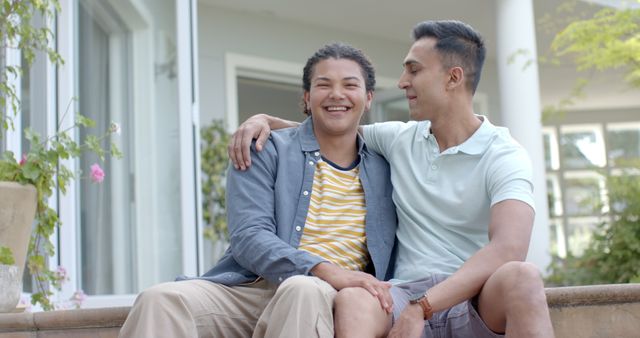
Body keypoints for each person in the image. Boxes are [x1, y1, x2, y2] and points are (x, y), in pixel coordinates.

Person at [228, 20, 555, 338]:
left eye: (414, 70)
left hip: (472, 298)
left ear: (452, 78)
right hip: (399, 295)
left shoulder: (505, 154)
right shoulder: (399, 139)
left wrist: (423, 307)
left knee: (522, 276)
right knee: (354, 298)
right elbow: (331, 129)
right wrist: (263, 120)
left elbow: (509, 248)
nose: (402, 81)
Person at [119, 42, 397, 338]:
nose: (337, 94)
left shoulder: (387, 165)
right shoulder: (266, 149)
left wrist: (332, 277)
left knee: (301, 289)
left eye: (350, 85)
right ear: (307, 97)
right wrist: (323, 268)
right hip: (251, 287)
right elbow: (249, 236)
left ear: (368, 98)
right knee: (159, 300)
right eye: (323, 85)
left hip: (327, 296)